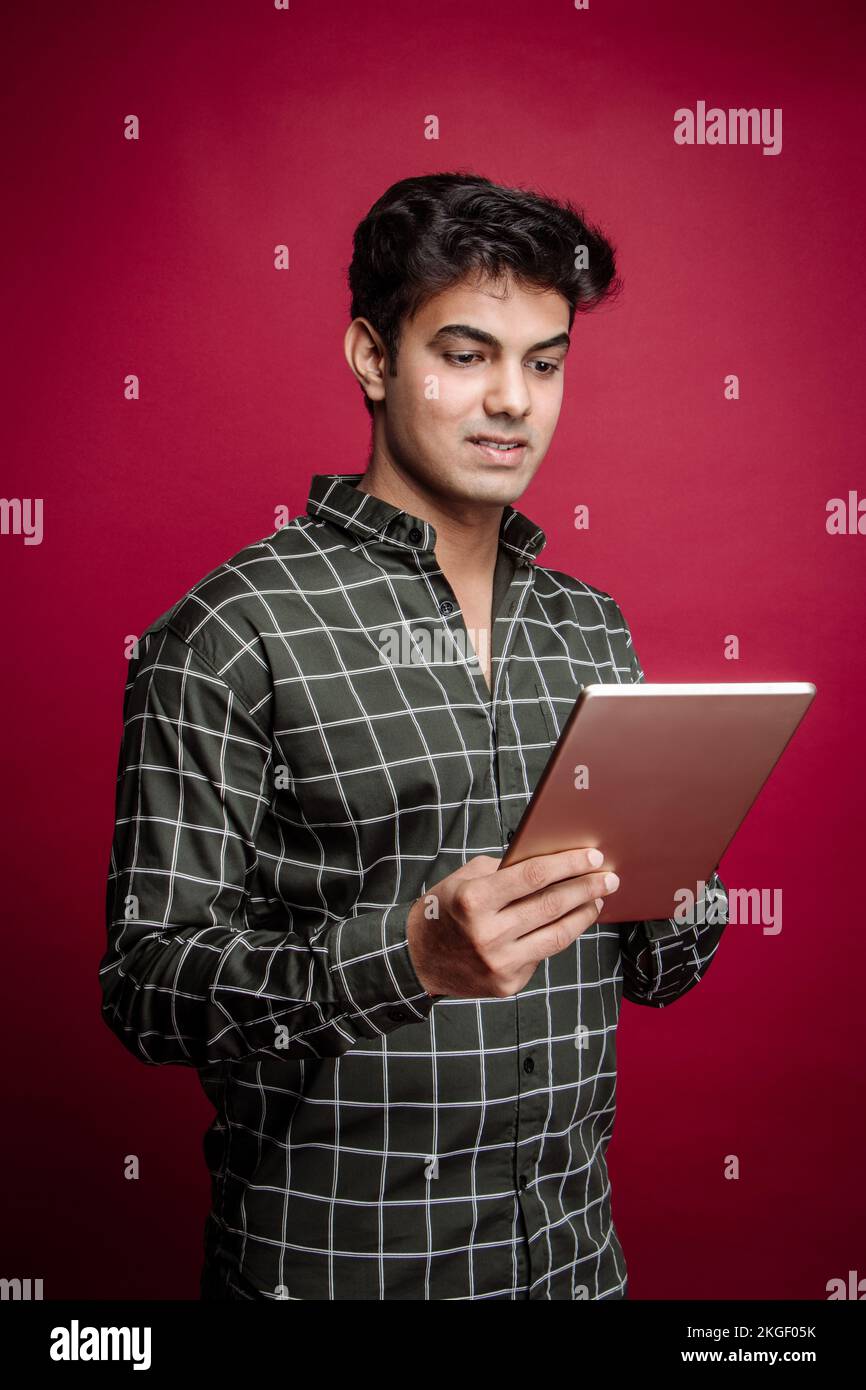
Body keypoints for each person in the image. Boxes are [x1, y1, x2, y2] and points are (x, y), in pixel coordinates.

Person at [99, 172, 729, 1301]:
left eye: (543, 363)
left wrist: (682, 874)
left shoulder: (588, 627)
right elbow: (146, 990)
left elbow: (659, 973)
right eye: (464, 353)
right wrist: (405, 961)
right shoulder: (231, 631)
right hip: (342, 1273)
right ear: (372, 357)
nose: (511, 401)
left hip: (574, 1266)